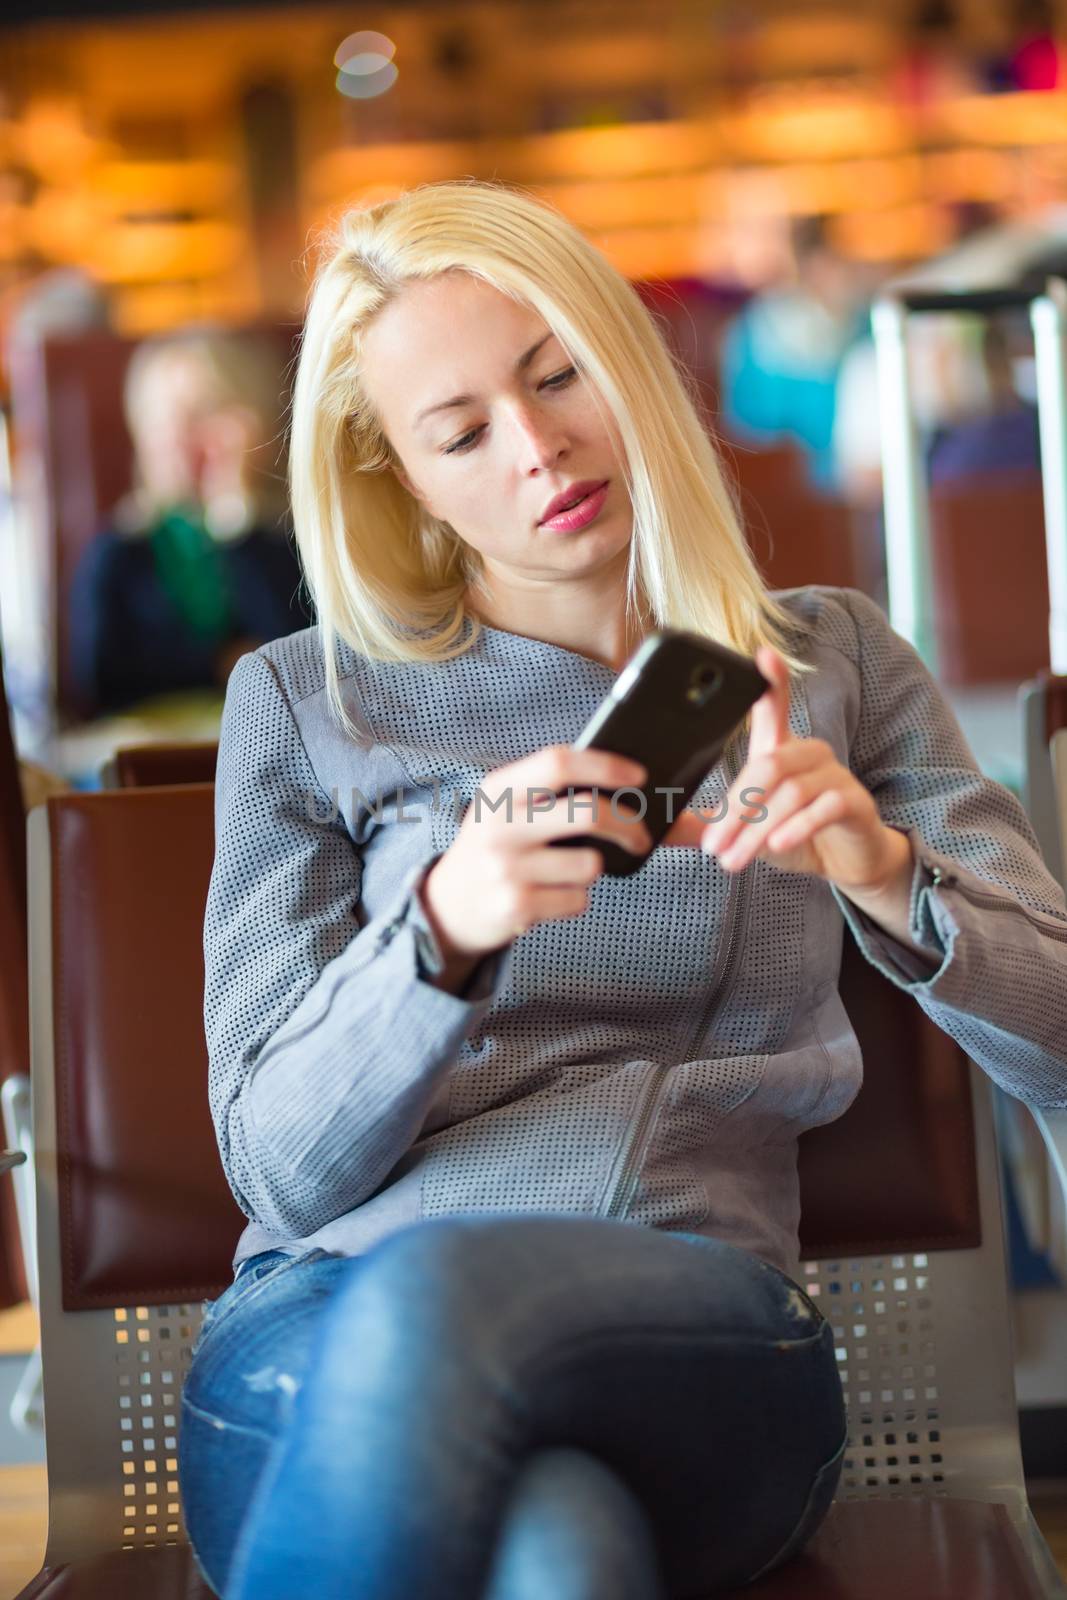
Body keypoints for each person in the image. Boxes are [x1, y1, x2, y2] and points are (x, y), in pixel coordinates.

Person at [177, 180, 1067, 1600]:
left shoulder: (833, 666)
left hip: (693, 1325)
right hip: (320, 1335)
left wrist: (879, 870)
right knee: (556, 1555)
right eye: (461, 434)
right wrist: (442, 931)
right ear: (397, 477)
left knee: (461, 1334)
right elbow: (278, 1170)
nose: (536, 449)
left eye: (558, 375)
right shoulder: (302, 702)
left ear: (629, 357)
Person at [68, 327, 311, 717]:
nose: (180, 436)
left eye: (201, 414)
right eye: (162, 417)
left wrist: (234, 515)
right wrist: (217, 663)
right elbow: (100, 678)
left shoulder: (288, 542)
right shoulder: (118, 550)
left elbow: (301, 656)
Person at [717, 214, 867, 491]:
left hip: (860, 475)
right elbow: (746, 421)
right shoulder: (758, 329)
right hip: (786, 480)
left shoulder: (864, 324)